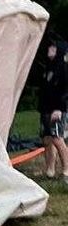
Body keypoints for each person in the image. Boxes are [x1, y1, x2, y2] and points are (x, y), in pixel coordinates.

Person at [39, 40, 68, 180]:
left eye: (53, 47)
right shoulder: (48, 67)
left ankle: (66, 171)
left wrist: (59, 108)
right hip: (46, 109)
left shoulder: (63, 68)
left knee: (57, 138)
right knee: (47, 139)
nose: (49, 49)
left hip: (57, 109)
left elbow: (65, 90)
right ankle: (50, 170)